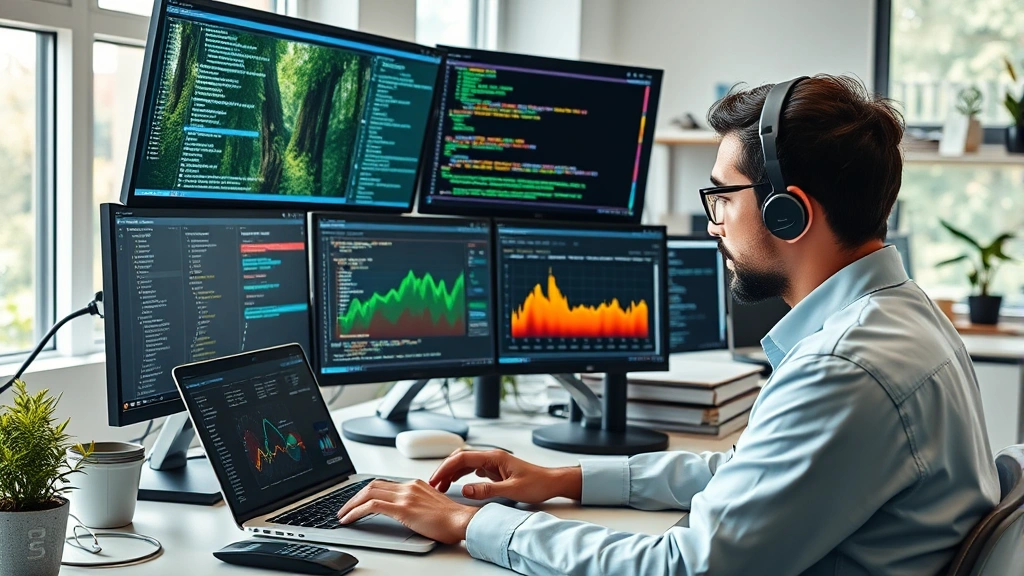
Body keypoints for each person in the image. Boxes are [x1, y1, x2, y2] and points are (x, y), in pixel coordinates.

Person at [336, 75, 1000, 575]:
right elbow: (751, 479)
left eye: (720, 197)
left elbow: (687, 567)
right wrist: (566, 480)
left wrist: (471, 521)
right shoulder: (903, 316)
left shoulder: (845, 368)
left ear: (787, 213)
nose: (712, 222)